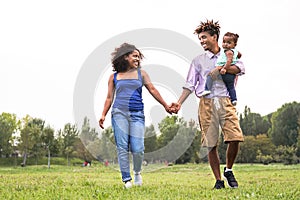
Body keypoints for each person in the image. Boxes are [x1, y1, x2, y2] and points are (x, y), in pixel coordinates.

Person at [170, 20, 245, 189]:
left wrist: (219, 69)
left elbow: (240, 69)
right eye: (200, 39)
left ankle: (229, 169)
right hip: (206, 103)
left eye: (204, 37)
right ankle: (219, 180)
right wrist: (179, 103)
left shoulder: (229, 54)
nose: (202, 41)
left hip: (225, 100)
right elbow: (190, 84)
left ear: (215, 37)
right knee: (211, 143)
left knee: (235, 137)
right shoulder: (198, 61)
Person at [99, 43, 172, 189]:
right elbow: (109, 98)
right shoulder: (114, 77)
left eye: (139, 57)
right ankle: (126, 179)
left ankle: (137, 172)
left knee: (138, 148)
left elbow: (152, 89)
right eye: (135, 56)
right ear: (125, 57)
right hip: (119, 113)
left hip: (137, 114)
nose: (138, 59)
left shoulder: (142, 74)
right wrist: (103, 114)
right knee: (122, 147)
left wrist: (165, 105)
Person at [202, 32, 242, 106]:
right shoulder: (234, 51)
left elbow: (229, 61)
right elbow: (240, 54)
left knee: (210, 76)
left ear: (234, 44)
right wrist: (237, 56)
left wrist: (224, 68)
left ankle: (207, 89)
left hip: (224, 71)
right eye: (224, 42)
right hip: (231, 75)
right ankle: (234, 99)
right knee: (231, 87)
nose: (225, 44)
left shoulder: (228, 52)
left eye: (229, 43)